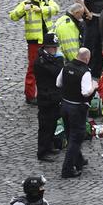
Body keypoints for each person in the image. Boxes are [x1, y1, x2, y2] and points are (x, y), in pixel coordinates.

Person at [9, 0, 60, 104]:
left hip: (47, 40)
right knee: (32, 68)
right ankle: (30, 96)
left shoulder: (47, 1)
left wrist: (41, 10)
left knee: (49, 67)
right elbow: (13, 16)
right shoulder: (26, 3)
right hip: (35, 41)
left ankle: (47, 93)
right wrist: (24, 9)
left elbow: (56, 9)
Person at [56, 47, 97, 178]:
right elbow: (85, 92)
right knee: (76, 138)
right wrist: (94, 86)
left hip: (65, 106)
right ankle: (67, 169)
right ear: (87, 58)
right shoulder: (85, 72)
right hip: (77, 109)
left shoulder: (66, 67)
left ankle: (79, 160)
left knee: (70, 134)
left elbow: (58, 83)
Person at [33, 33, 64, 162]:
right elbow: (56, 71)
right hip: (46, 98)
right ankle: (42, 151)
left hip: (54, 96)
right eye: (53, 47)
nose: (55, 50)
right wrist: (59, 61)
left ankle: (49, 146)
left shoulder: (49, 58)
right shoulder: (41, 61)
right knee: (45, 126)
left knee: (52, 124)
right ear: (47, 47)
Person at [74, 0, 103, 78]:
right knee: (89, 47)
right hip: (92, 21)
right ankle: (84, 72)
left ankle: (96, 74)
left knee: (100, 48)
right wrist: (87, 12)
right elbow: (78, 0)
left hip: (102, 20)